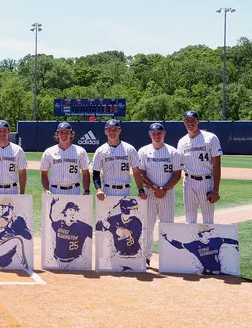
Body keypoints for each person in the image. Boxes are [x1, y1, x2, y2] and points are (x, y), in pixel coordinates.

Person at [138, 122, 183, 265]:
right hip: (149, 194)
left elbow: (177, 174)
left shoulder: (173, 152)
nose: (156, 136)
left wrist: (164, 189)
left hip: (167, 194)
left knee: (167, 226)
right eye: (154, 133)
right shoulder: (143, 151)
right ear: (149, 135)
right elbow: (140, 174)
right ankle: (145, 257)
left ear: (164, 134)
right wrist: (155, 188)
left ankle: (168, 258)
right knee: (147, 227)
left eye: (159, 133)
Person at [177, 110, 223, 224]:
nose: (190, 123)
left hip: (206, 182)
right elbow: (179, 165)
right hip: (188, 182)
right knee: (189, 221)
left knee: (208, 221)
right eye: (187, 120)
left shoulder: (211, 138)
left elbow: (217, 165)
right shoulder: (182, 142)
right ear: (184, 123)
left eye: (193, 120)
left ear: (198, 122)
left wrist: (216, 190)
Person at [91, 119, 146, 201]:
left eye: (115, 129)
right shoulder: (100, 150)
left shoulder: (130, 149)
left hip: (125, 190)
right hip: (107, 191)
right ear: (105, 131)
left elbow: (136, 172)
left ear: (119, 131)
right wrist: (99, 189)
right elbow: (96, 174)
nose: (112, 132)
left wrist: (141, 190)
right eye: (109, 130)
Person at [162, 225, 238, 275]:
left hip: (219, 273)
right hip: (206, 274)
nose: (211, 233)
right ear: (201, 234)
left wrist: (237, 244)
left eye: (210, 231)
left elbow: (231, 241)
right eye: (208, 231)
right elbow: (179, 245)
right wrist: (167, 238)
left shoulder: (216, 240)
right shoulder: (194, 245)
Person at [40, 122, 91, 195]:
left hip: (74, 191)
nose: (64, 135)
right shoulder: (49, 152)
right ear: (57, 134)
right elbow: (44, 174)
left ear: (71, 134)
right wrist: (46, 189)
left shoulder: (80, 151)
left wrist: (86, 190)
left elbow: (85, 173)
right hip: (55, 191)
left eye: (67, 132)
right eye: (61, 132)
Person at [95, 198, 144, 272]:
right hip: (118, 256)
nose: (136, 210)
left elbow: (125, 233)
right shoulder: (113, 219)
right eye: (133, 208)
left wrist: (109, 226)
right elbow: (98, 228)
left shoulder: (137, 222)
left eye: (136, 208)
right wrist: (101, 222)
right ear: (125, 209)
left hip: (135, 256)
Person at [47, 197, 93, 269]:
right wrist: (53, 203)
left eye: (75, 211)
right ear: (65, 212)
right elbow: (50, 216)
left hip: (74, 262)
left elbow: (97, 233)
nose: (72, 212)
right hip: (56, 260)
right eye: (70, 210)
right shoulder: (59, 223)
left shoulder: (83, 226)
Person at [0, 198, 32, 268]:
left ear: (10, 208)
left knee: (19, 240)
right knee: (17, 241)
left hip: (9, 254)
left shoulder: (18, 219)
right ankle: (25, 267)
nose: (1, 208)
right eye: (1, 206)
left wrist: (17, 224)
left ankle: (22, 267)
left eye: (3, 206)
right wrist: (4, 227)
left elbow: (29, 236)